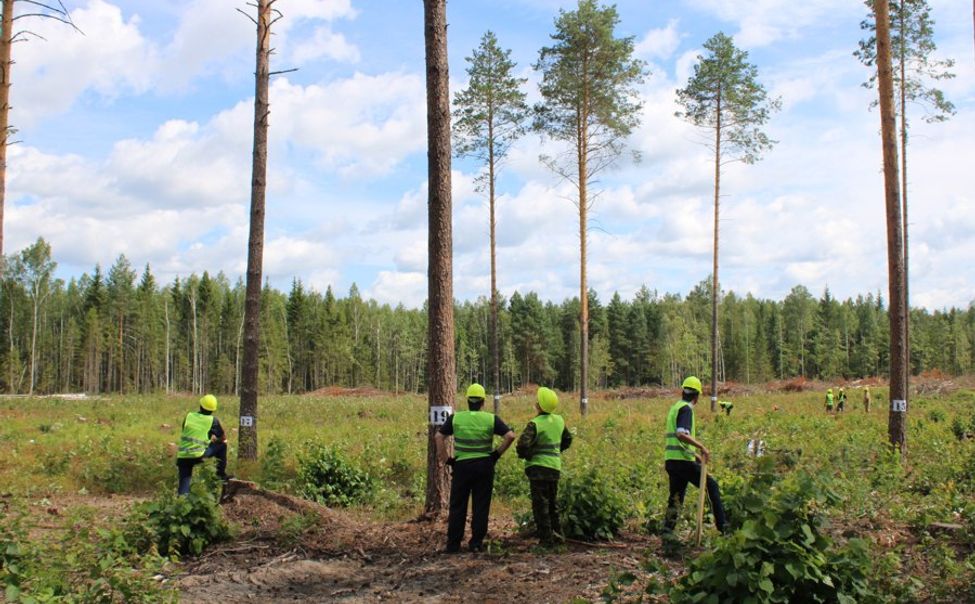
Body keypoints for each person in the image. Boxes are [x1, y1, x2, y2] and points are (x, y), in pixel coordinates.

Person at [435, 383, 516, 553]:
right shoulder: (491, 418)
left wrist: (447, 460)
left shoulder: (456, 418)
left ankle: (453, 545)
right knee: (481, 505)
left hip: (462, 467)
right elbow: (510, 436)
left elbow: (439, 437)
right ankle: (476, 543)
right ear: (483, 402)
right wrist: (496, 454)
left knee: (458, 506)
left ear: (467, 400)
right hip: (484, 466)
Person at [663, 376, 727, 542]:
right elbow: (681, 434)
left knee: (676, 499)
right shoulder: (686, 409)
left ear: (683, 392)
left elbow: (678, 440)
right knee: (712, 486)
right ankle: (724, 528)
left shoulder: (675, 407)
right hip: (682, 463)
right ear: (697, 396)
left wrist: (694, 455)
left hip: (672, 460)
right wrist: (701, 447)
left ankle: (667, 535)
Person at [516, 387, 572, 547]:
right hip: (554, 468)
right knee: (553, 504)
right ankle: (558, 536)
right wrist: (556, 451)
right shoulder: (560, 421)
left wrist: (528, 455)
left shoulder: (535, 423)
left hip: (538, 469)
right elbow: (567, 439)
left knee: (541, 506)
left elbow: (522, 445)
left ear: (539, 406)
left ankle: (546, 540)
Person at [176, 394, 231, 495]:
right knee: (223, 445)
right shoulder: (212, 420)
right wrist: (214, 441)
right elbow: (223, 438)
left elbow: (186, 430)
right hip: (198, 455)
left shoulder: (189, 416)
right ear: (213, 410)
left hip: (183, 455)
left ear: (200, 405)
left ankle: (182, 502)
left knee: (184, 483)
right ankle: (220, 474)